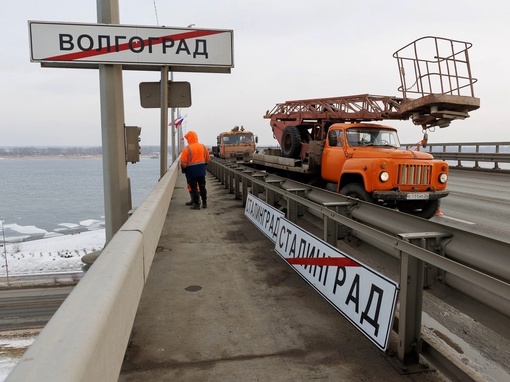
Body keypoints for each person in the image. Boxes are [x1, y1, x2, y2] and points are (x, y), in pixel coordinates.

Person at [180, 130, 211, 210]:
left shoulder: (187, 149)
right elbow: (207, 159)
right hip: (201, 170)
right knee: (202, 186)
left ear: (189, 139)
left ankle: (196, 204)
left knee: (194, 188)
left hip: (191, 171)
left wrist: (184, 168)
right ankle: (204, 203)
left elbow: (183, 162)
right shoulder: (203, 147)